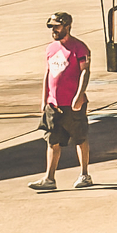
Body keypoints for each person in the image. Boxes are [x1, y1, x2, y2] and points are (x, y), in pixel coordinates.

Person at [34, 10, 94, 190]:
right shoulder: (50, 49)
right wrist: (44, 98)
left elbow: (85, 71)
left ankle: (84, 174)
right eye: (51, 27)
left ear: (67, 27)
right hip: (54, 104)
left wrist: (79, 95)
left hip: (73, 104)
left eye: (57, 26)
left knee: (80, 138)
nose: (54, 30)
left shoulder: (79, 48)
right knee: (52, 141)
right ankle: (49, 178)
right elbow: (48, 73)